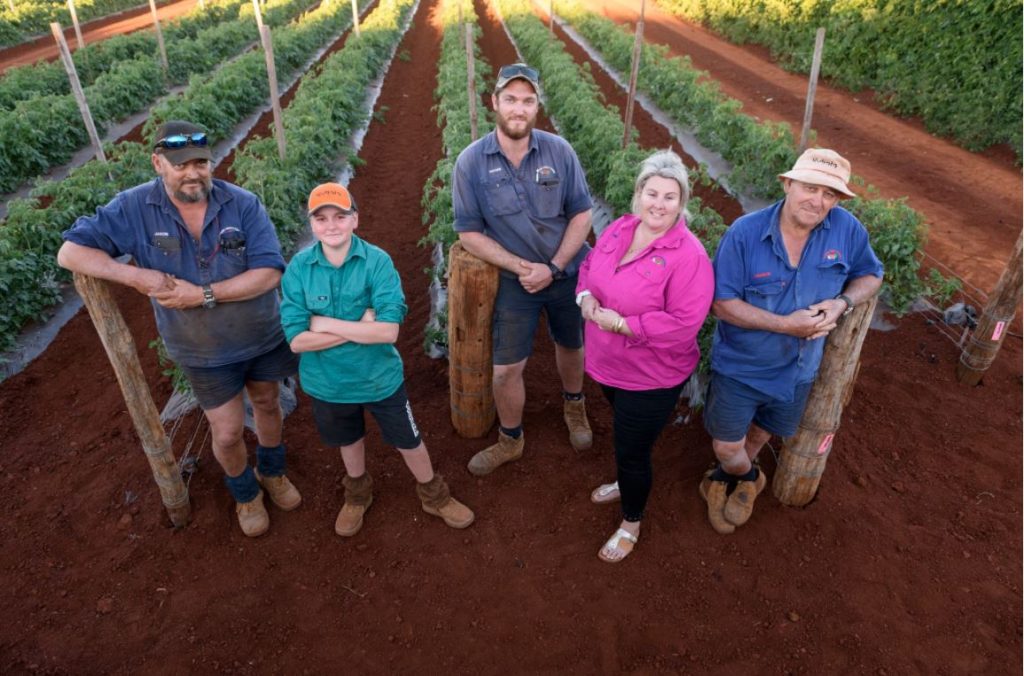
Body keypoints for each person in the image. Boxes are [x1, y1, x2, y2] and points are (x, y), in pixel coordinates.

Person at [58, 120, 301, 538]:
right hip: (202, 351)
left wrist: (202, 295)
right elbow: (70, 252)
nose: (192, 172)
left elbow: (268, 273)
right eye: (180, 164)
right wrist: (135, 277)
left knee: (267, 404)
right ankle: (245, 494)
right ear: (158, 163)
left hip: (262, 336)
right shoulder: (134, 208)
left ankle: (273, 472)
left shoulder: (242, 204)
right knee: (225, 432)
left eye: (200, 163)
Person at [702, 148, 884, 533]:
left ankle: (726, 480)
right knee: (726, 444)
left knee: (762, 431)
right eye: (809, 187)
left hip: (800, 369)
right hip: (742, 366)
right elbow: (722, 304)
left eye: (829, 194)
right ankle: (750, 478)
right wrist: (787, 325)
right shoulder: (745, 234)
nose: (818, 201)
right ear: (787, 184)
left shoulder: (847, 230)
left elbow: (872, 275)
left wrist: (842, 302)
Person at [280, 183, 474, 536]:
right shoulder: (299, 269)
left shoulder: (377, 262)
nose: (331, 225)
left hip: (379, 377)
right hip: (328, 383)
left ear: (355, 219)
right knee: (349, 438)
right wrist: (357, 326)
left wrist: (323, 324)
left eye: (340, 216)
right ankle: (357, 493)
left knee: (408, 438)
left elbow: (388, 332)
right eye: (321, 218)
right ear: (312, 225)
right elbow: (296, 340)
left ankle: (434, 494)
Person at [452, 62, 595, 476]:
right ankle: (510, 438)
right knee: (506, 368)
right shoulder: (471, 162)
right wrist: (523, 267)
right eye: (511, 99)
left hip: (567, 270)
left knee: (571, 344)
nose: (519, 107)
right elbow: (468, 233)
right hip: (516, 280)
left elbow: (582, 214)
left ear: (537, 106)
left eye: (527, 100)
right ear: (495, 102)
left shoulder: (559, 151)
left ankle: (574, 406)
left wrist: (554, 266)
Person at [578, 151, 714, 563]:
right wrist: (584, 298)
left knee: (632, 451)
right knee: (625, 431)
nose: (659, 203)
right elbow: (589, 265)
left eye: (669, 197)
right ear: (638, 194)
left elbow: (684, 323)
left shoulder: (688, 255)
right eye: (651, 193)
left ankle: (630, 522)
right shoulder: (621, 228)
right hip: (606, 363)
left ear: (682, 202)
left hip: (651, 376)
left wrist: (624, 325)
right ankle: (624, 481)